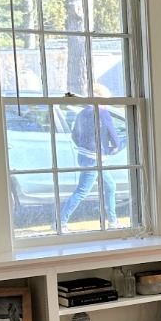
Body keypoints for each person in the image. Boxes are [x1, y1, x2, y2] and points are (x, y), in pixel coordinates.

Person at [60, 84, 124, 229]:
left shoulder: (82, 113)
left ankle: (113, 221)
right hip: (95, 157)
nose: (108, 105)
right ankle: (60, 222)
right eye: (107, 101)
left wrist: (84, 146)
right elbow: (113, 134)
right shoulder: (103, 113)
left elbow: (75, 135)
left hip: (85, 156)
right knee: (81, 191)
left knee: (110, 186)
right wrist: (114, 146)